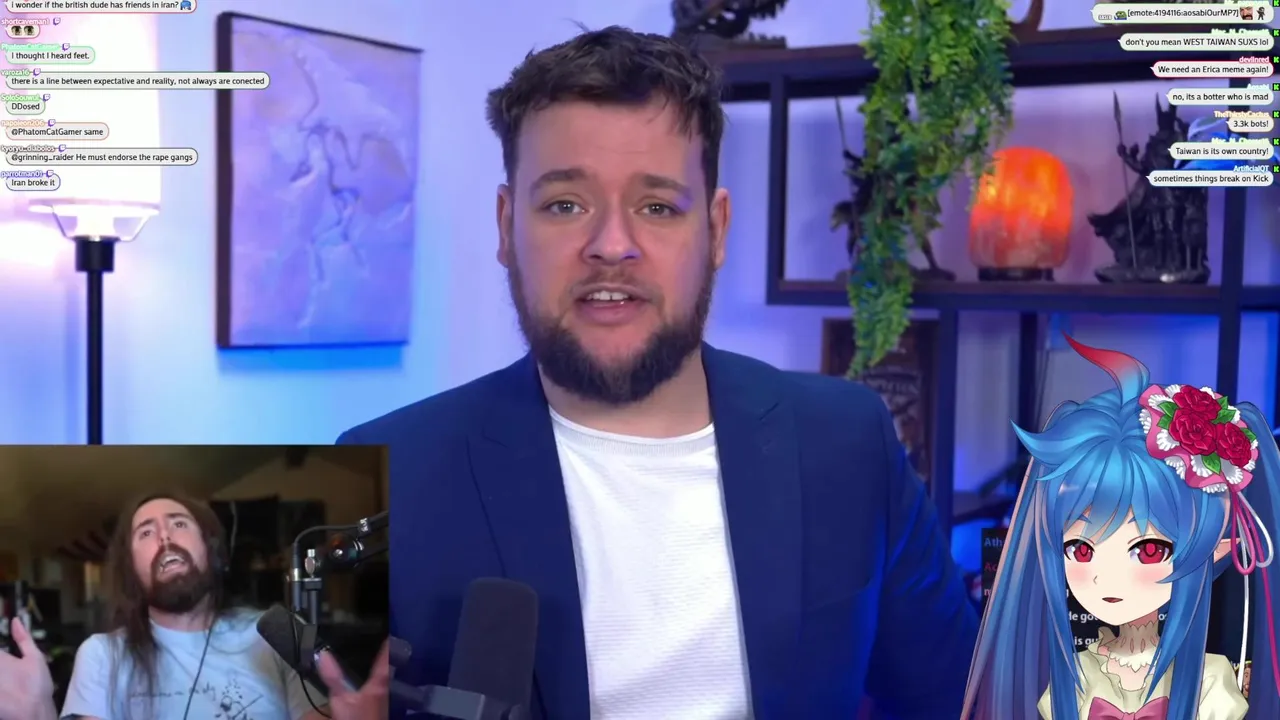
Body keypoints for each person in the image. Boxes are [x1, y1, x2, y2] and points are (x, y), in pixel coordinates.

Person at [339, 26, 976, 720]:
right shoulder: (389, 472)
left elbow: (960, 700)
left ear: (716, 229)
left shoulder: (846, 442)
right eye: (565, 205)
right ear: (505, 226)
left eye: (657, 207)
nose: (612, 245)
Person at [962, 337, 1280, 720]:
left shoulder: (1210, 681)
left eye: (1149, 550)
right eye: (1080, 550)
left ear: (1215, 549)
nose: (1106, 578)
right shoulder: (1076, 675)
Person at [0, 493, 390, 720]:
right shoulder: (102, 655)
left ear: (212, 551)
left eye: (179, 523)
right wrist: (38, 713)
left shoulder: (279, 634)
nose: (165, 536)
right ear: (132, 570)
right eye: (146, 532)